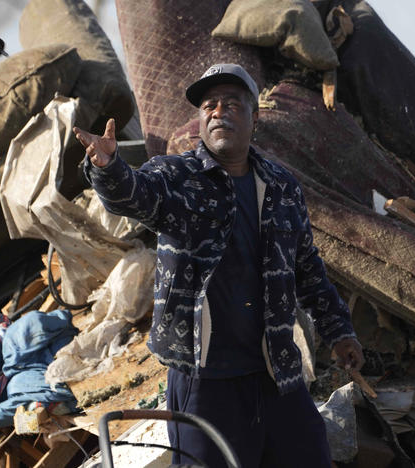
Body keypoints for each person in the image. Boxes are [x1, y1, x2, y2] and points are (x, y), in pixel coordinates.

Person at [73, 63, 364, 468]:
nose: (218, 111)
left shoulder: (282, 187)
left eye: (232, 103)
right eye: (209, 105)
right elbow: (135, 196)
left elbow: (307, 268)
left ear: (254, 116)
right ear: (199, 119)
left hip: (276, 372)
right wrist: (108, 169)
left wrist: (339, 331)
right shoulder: (176, 176)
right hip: (205, 380)